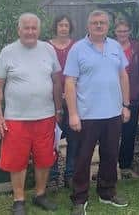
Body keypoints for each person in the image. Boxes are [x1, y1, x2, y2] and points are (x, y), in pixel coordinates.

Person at [0, 13, 63, 215]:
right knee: (17, 160)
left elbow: (57, 81)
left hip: (46, 116)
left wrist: (58, 109)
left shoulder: (48, 49)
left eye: (34, 28)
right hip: (15, 118)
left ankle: (40, 195)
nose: (30, 31)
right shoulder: (8, 52)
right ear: (19, 30)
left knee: (45, 158)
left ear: (39, 30)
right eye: (26, 28)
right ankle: (19, 199)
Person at [65, 10, 131, 215]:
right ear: (88, 26)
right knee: (83, 158)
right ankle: (79, 198)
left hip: (113, 113)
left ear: (108, 26)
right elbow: (69, 82)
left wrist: (125, 104)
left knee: (110, 155)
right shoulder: (77, 49)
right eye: (95, 23)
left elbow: (123, 76)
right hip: (87, 115)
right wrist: (73, 113)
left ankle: (107, 192)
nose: (99, 26)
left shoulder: (115, 46)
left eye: (102, 22)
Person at [113, 18, 139, 179]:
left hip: (133, 96)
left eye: (125, 31)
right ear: (115, 32)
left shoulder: (138, 47)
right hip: (112, 96)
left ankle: (125, 164)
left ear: (130, 32)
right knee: (111, 133)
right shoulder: (109, 46)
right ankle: (110, 164)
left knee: (129, 132)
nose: (122, 34)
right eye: (119, 31)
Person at [48, 14, 77, 190]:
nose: (63, 28)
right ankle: (52, 175)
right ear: (55, 27)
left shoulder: (77, 46)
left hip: (73, 98)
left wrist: (71, 92)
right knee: (52, 138)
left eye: (66, 25)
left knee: (74, 138)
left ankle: (70, 175)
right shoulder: (47, 47)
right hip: (51, 99)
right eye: (60, 25)